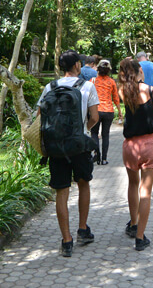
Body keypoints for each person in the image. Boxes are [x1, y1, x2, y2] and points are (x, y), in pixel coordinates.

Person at [38, 50, 100, 257]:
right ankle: (83, 229)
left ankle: (66, 240)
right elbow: (94, 117)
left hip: (56, 147)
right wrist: (83, 129)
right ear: (76, 66)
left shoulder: (50, 87)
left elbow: (40, 116)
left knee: (61, 192)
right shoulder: (87, 86)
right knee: (83, 184)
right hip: (79, 146)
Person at [118, 58, 153, 251]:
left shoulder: (124, 91)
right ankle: (140, 237)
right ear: (141, 71)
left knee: (132, 184)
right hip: (150, 144)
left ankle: (133, 223)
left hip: (130, 146)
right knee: (145, 191)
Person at [90, 59, 121, 165]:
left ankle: (96, 153)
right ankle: (104, 159)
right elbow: (116, 98)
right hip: (108, 111)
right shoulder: (112, 82)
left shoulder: (93, 81)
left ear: (98, 69)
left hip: (96, 110)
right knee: (105, 134)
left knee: (94, 133)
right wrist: (120, 112)